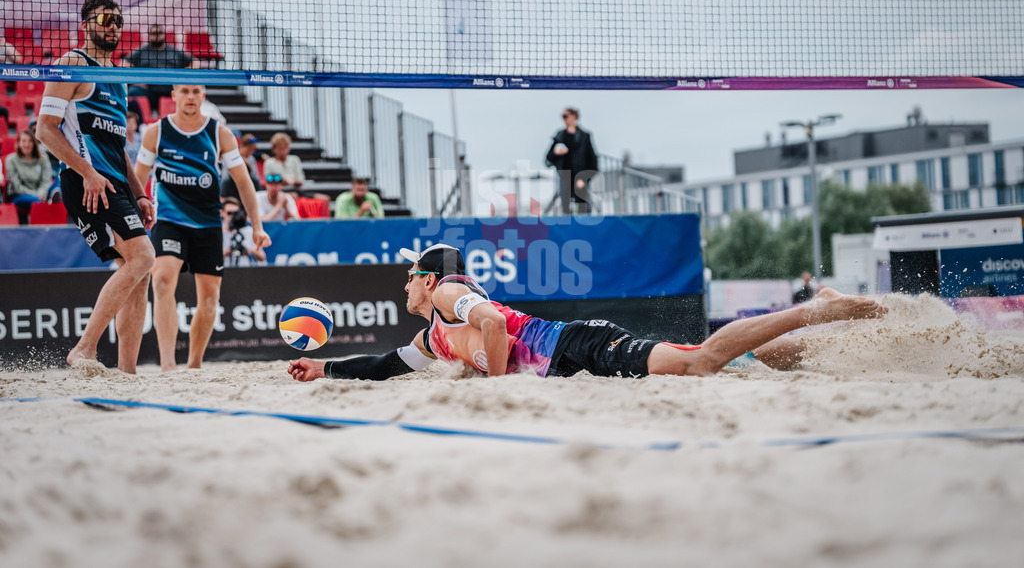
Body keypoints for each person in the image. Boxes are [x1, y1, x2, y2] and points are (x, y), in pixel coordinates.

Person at [288, 243, 886, 383]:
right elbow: (383, 364)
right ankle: (806, 339)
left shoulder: (447, 296)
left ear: (429, 279)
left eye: (408, 277)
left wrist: (497, 386)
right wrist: (327, 370)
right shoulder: (434, 340)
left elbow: (493, 324)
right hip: (572, 360)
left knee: (701, 362)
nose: (403, 286)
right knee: (729, 365)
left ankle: (812, 310)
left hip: (574, 345)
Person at [34, 0, 156, 373]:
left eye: (119, 22)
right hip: (86, 182)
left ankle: (127, 372)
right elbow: (44, 131)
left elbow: (118, 149)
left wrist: (139, 193)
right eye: (106, 19)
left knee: (138, 272)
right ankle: (84, 348)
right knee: (144, 257)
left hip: (115, 184)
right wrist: (87, 172)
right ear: (85, 24)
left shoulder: (118, 79)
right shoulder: (72, 63)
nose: (114, 27)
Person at [135, 83, 270, 371]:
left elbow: (244, 182)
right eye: (184, 91)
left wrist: (257, 226)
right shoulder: (155, 132)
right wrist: (135, 211)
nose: (191, 96)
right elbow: (137, 179)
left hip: (207, 223)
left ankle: (194, 365)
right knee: (161, 280)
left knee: (209, 298)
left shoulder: (219, 134)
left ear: (203, 95)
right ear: (173, 95)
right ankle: (168, 365)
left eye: (196, 91)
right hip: (169, 219)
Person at [125, 23, 196, 117]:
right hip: (149, 92)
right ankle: (137, 123)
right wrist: (137, 80)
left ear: (164, 35)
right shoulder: (142, 51)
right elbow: (124, 64)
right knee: (133, 91)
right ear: (149, 36)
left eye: (159, 33)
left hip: (171, 91)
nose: (157, 36)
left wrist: (183, 78)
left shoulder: (174, 51)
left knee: (189, 93)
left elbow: (195, 62)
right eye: (154, 34)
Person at [545, 107, 599, 215]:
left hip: (580, 177)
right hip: (564, 177)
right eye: (562, 116)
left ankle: (583, 229)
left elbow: (593, 160)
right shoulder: (559, 136)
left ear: (574, 116)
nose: (564, 119)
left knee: (582, 207)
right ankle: (568, 229)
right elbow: (548, 158)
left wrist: (584, 178)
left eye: (566, 116)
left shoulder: (585, 136)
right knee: (565, 207)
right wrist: (556, 153)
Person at [4, 130, 51, 224]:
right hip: (19, 196)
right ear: (18, 144)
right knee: (36, 201)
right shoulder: (11, 160)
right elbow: (17, 186)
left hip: (40, 194)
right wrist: (37, 196)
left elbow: (46, 181)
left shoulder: (43, 158)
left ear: (34, 143)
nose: (27, 144)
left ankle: (53, 196)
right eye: (24, 141)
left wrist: (41, 193)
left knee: (60, 179)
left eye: (30, 141)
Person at [221, 197, 266, 267]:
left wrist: (250, 250)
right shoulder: (219, 233)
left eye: (235, 213)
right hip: (225, 272)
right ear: (222, 213)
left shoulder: (249, 231)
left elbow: (262, 257)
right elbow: (210, 259)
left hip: (246, 272)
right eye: (229, 213)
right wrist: (227, 252)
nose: (232, 216)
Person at [220, 134, 262, 202]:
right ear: (242, 145)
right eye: (248, 150)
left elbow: (255, 176)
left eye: (252, 151)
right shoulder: (232, 157)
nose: (250, 153)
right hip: (232, 184)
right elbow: (225, 176)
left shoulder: (251, 159)